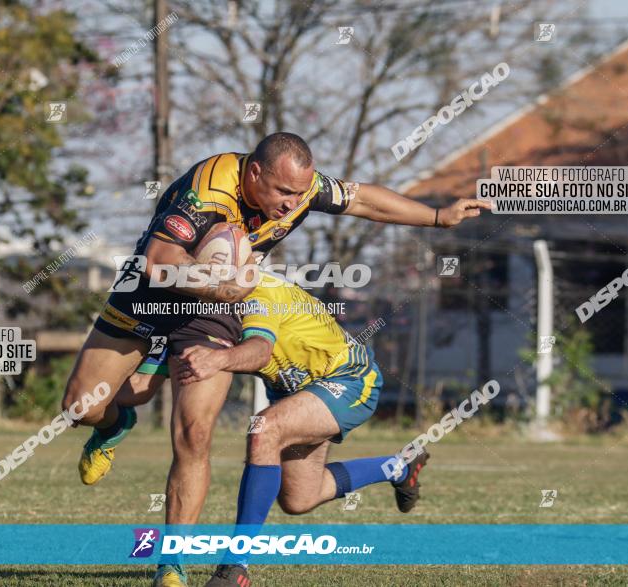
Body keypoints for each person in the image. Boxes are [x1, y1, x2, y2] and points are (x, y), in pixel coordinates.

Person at [61, 132, 488, 586]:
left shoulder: (300, 192)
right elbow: (158, 260)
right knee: (82, 407)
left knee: (194, 434)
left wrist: (439, 217)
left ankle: (172, 564)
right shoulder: (207, 192)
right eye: (283, 193)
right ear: (255, 173)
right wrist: (221, 283)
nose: (291, 204)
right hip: (150, 292)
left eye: (299, 194)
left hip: (220, 312)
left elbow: (364, 200)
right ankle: (113, 424)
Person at [173, 273, 429, 587]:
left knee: (264, 428)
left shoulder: (258, 292)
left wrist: (219, 359)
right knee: (299, 499)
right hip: (296, 392)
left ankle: (234, 567)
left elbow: (259, 351)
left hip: (348, 379)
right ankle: (398, 467)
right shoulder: (204, 302)